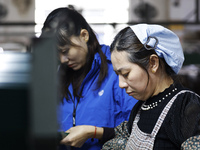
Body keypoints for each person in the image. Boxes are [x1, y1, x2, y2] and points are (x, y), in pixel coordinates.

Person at [61, 24, 200, 149]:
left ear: (153, 63)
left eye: (126, 74)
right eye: (118, 75)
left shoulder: (186, 106)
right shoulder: (141, 107)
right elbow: (121, 134)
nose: (121, 84)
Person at [40, 7, 138, 150]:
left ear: (84, 35)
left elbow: (138, 131)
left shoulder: (117, 71)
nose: (62, 60)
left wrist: (93, 133)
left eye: (65, 51)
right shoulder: (59, 75)